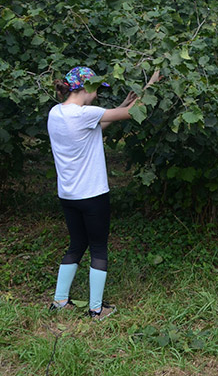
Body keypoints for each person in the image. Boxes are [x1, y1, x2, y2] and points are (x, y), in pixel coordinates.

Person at [48, 66, 139, 321]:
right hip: (93, 196)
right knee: (98, 248)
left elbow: (97, 124)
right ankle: (96, 309)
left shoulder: (55, 113)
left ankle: (59, 300)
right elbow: (132, 114)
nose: (97, 95)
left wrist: (122, 104)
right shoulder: (85, 113)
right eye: (97, 89)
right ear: (86, 88)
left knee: (76, 244)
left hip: (68, 196)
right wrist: (150, 84)